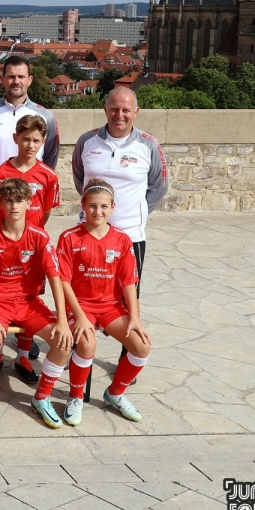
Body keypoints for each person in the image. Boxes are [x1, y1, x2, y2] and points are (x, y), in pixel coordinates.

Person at [0, 55, 59, 373]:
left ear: (30, 80)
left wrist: (32, 222)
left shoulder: (45, 116)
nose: (16, 81)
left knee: (29, 286)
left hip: (30, 221)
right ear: (2, 79)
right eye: (10, 76)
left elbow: (49, 169)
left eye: (22, 76)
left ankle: (23, 351)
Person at [70, 87, 167, 369]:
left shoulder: (148, 145)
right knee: (81, 293)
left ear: (136, 113)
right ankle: (79, 348)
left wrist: (132, 214)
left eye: (126, 110)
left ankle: (128, 356)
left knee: (127, 297)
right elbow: (81, 178)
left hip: (129, 237)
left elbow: (159, 187)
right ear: (105, 109)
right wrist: (96, 213)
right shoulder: (87, 141)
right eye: (114, 109)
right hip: (87, 235)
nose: (119, 115)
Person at [0, 178, 72, 430]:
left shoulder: (39, 235)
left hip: (28, 302)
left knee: (63, 342)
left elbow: (55, 278)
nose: (14, 206)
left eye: (19, 200)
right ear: (0, 203)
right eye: (8, 200)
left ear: (30, 203)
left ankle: (41, 397)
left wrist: (62, 320)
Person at [57, 178, 152, 425]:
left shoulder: (121, 240)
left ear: (112, 208)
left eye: (103, 207)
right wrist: (77, 315)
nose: (97, 212)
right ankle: (76, 397)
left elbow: (129, 283)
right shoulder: (69, 238)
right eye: (92, 206)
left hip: (110, 306)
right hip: (80, 306)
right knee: (87, 345)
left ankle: (115, 393)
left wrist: (135, 318)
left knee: (142, 345)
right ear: (83, 205)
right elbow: (63, 282)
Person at [0, 114, 60, 233]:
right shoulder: (0, 173)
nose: (30, 146)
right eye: (26, 139)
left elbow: (46, 211)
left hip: (33, 239)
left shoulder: (49, 175)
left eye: (36, 141)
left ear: (43, 141)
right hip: (4, 237)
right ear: (15, 138)